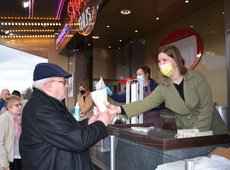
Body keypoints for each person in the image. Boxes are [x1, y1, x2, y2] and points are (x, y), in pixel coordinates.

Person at [107, 45, 230, 135]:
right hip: (186, 133)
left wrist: (196, 132)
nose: (161, 64)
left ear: (175, 61)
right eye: (159, 61)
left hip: (212, 131)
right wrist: (119, 109)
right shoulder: (164, 87)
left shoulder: (197, 77)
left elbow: (206, 108)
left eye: (164, 60)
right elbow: (146, 102)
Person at [19, 63, 110, 170]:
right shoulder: (42, 109)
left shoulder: (47, 104)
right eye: (63, 82)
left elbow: (66, 130)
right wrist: (101, 123)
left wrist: (89, 122)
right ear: (49, 86)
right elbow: (77, 141)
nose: (67, 85)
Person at [0, 95, 23, 170]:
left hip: (22, 157)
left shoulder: (21, 118)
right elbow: (0, 143)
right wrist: (4, 164)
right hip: (10, 159)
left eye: (20, 104)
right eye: (17, 105)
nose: (20, 107)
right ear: (9, 107)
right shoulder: (3, 119)